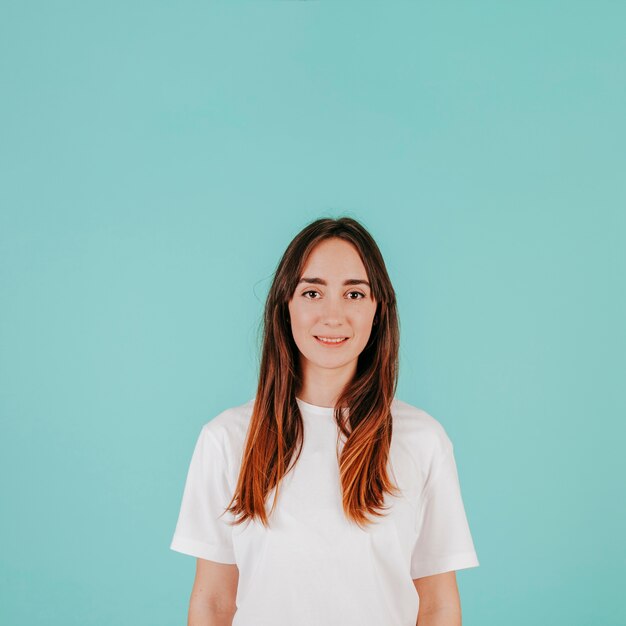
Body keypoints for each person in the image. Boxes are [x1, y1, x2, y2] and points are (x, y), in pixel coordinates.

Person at [170, 216, 480, 626]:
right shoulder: (225, 440)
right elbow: (213, 602)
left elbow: (438, 602)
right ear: (285, 305)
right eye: (313, 292)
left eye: (354, 293)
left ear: (378, 309)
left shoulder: (423, 440)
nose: (333, 316)